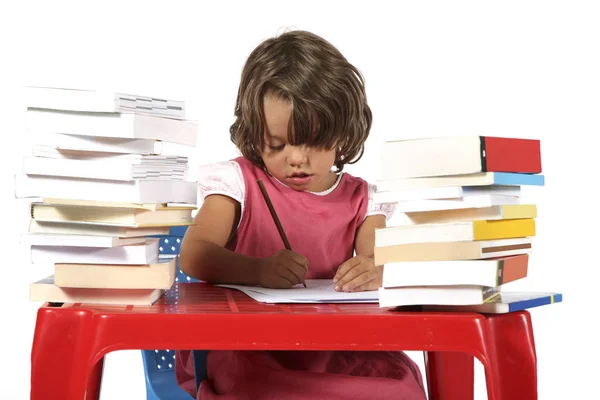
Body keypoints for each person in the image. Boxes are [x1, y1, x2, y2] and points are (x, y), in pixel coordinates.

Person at [175, 29, 427, 399]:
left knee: (400, 386)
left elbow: (382, 259)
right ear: (254, 131)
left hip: (332, 347)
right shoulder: (238, 183)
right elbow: (195, 255)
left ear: (342, 132)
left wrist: (374, 271)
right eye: (276, 144)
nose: (296, 157)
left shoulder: (360, 198)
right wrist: (259, 270)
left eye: (314, 141)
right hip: (246, 348)